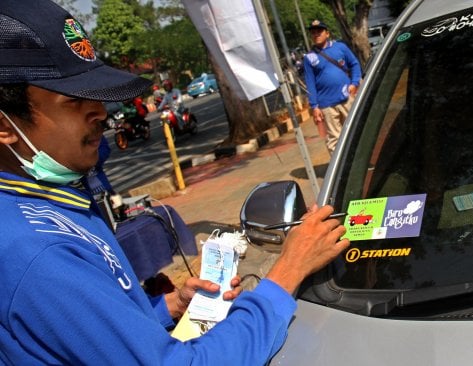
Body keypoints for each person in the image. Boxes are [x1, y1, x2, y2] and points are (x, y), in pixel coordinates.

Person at [0, 1, 349, 364]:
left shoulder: (50, 202)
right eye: (73, 101)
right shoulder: (36, 251)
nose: (100, 111)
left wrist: (165, 307)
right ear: (5, 126)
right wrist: (288, 271)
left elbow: (81, 336)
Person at [303, 19, 362, 155]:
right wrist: (314, 106)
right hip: (326, 106)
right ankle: (341, 172)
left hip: (347, 99)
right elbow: (310, 83)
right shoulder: (309, 57)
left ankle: (361, 162)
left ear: (327, 33)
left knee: (355, 132)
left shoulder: (340, 47)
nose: (316, 34)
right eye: (313, 32)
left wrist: (354, 83)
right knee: (334, 139)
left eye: (320, 31)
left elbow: (354, 64)